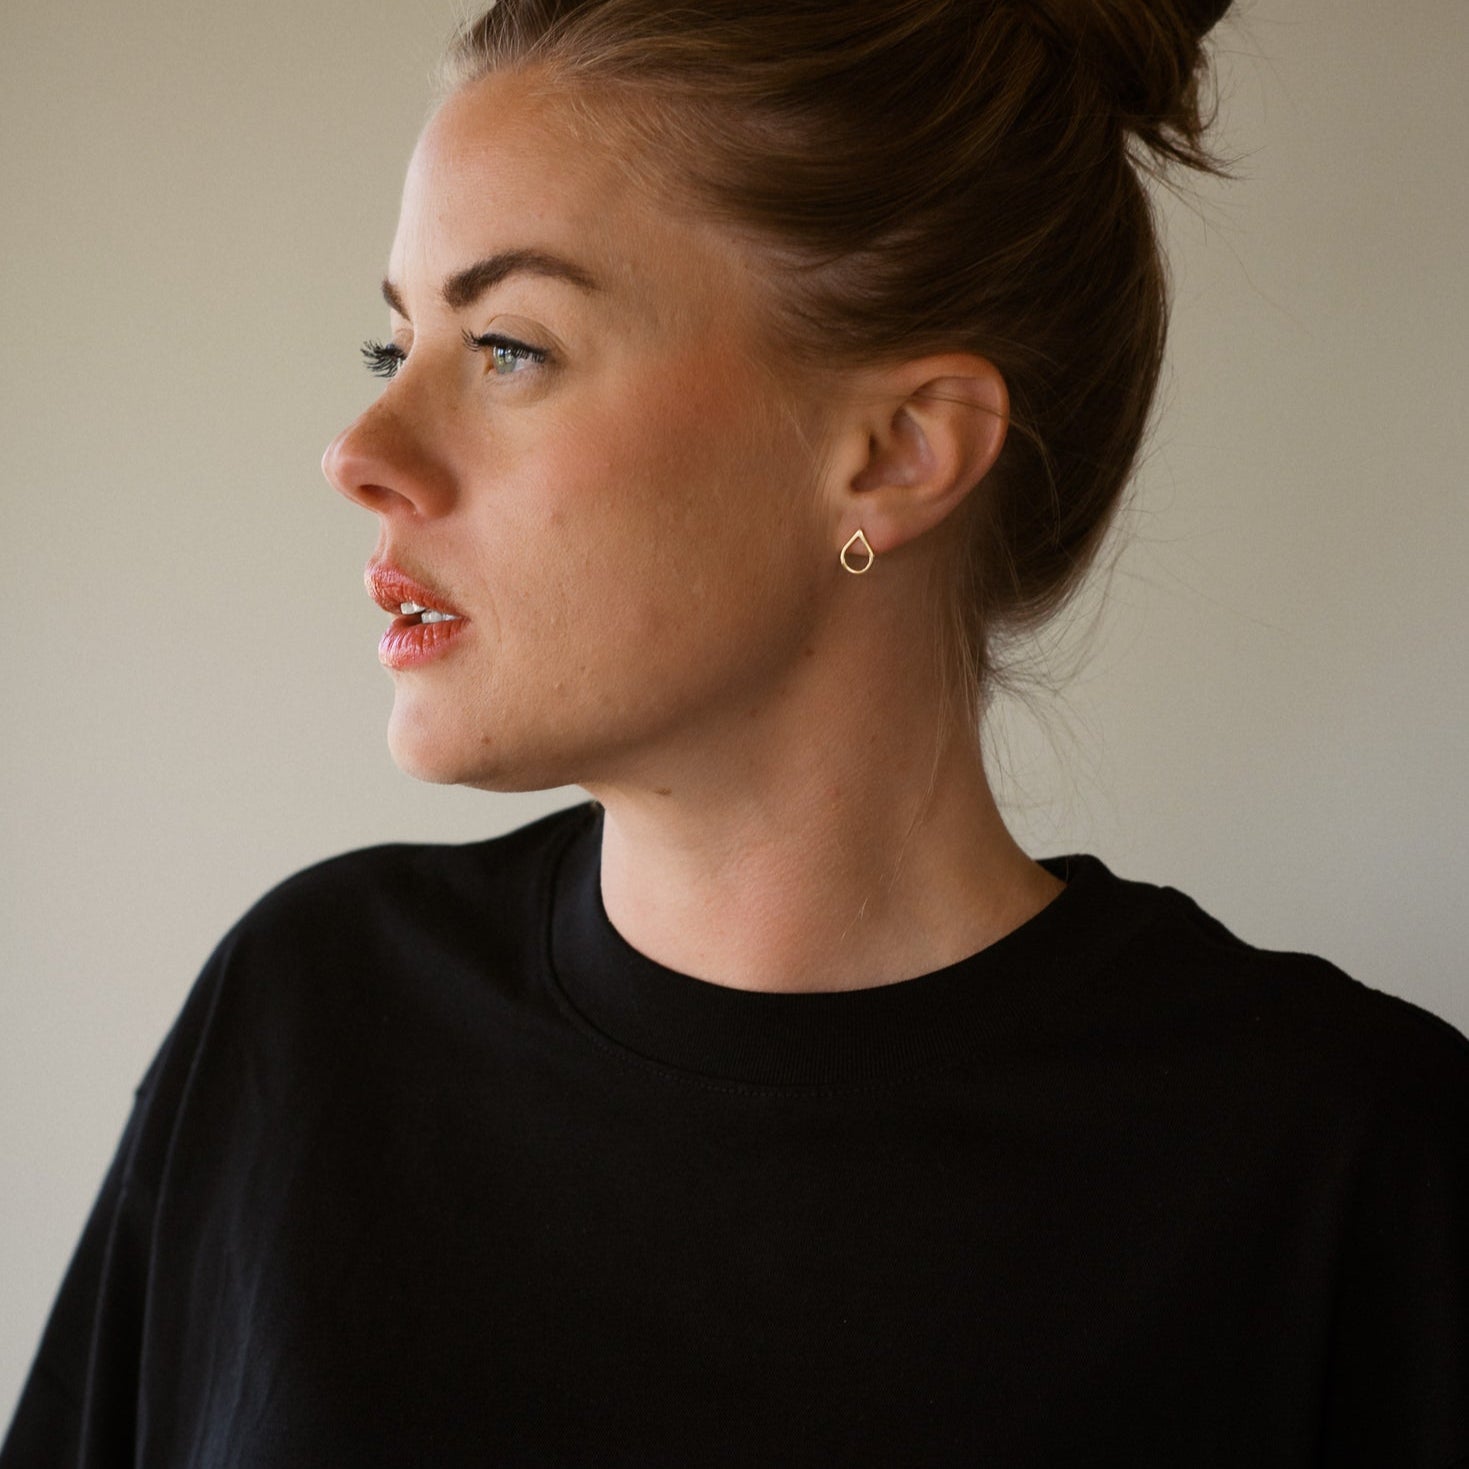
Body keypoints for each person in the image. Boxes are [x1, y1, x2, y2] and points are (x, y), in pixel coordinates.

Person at [4, 0, 1467, 1463]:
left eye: (507, 346)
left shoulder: (1348, 1166)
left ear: (896, 453)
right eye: (392, 346)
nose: (360, 452)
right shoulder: (305, 1021)